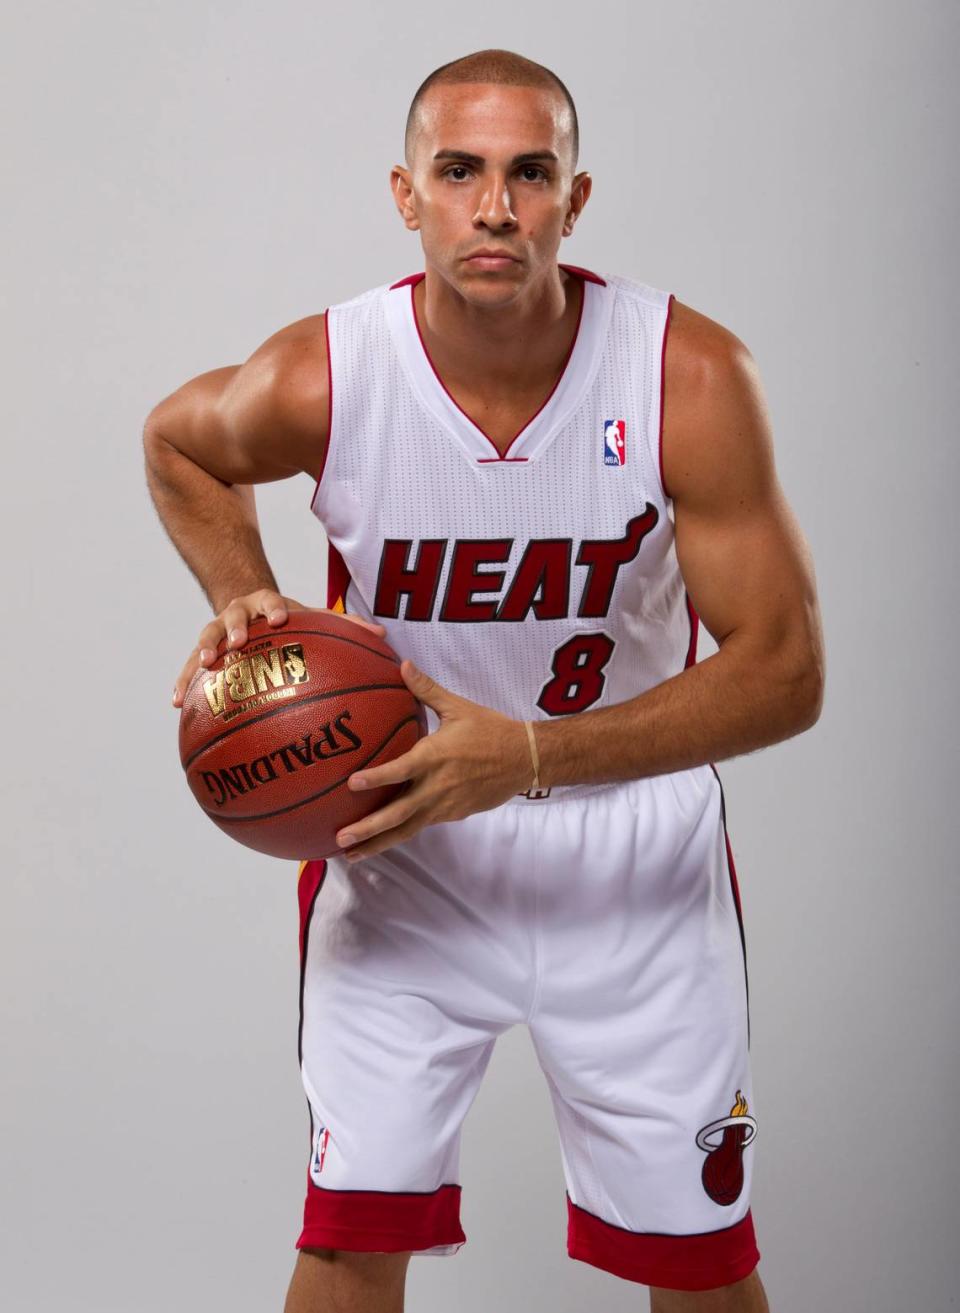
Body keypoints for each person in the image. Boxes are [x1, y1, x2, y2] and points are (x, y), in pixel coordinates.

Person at [144, 48, 824, 1313]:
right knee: (347, 1241)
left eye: (529, 173)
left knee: (704, 1260)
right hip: (403, 848)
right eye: (459, 171)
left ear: (576, 196)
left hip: (634, 862)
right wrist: (246, 590)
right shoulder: (331, 371)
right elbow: (179, 439)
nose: (495, 206)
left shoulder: (686, 376)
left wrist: (524, 756)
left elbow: (786, 671)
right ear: (407, 195)